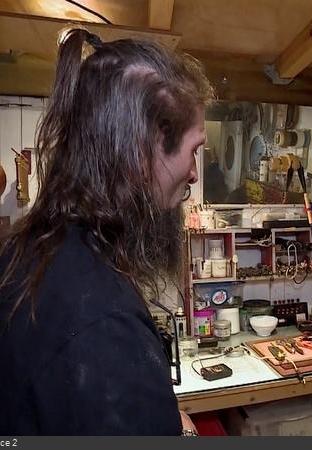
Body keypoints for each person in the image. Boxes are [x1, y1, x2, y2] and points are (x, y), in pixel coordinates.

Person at [0, 28, 213, 435]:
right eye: (194, 150)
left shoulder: (28, 249)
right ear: (142, 150)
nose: (193, 173)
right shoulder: (105, 328)